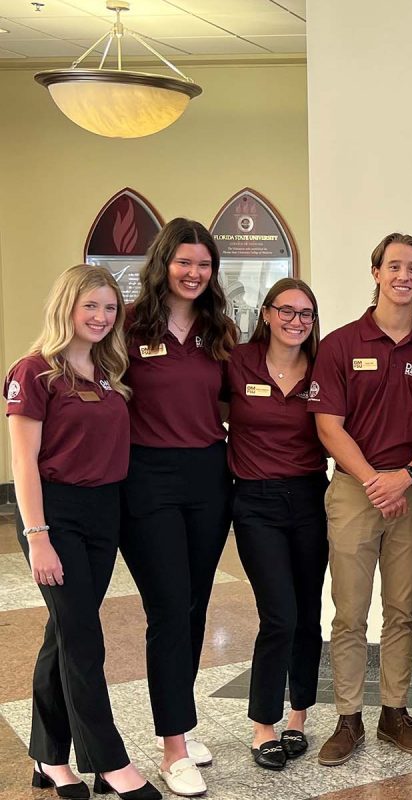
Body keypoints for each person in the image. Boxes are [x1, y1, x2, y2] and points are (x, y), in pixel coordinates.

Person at [7, 265, 161, 800]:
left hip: (104, 512)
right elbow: (23, 461)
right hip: (56, 515)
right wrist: (38, 534)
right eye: (90, 306)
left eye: (110, 308)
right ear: (66, 307)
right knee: (84, 641)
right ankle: (110, 761)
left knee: (64, 635)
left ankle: (49, 758)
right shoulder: (33, 371)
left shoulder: (107, 372)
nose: (100, 317)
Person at [308, 233, 412, 767]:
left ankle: (393, 713)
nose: (403, 275)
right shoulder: (340, 344)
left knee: (403, 611)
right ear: (376, 273)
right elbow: (328, 426)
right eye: (394, 266)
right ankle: (347, 718)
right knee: (348, 613)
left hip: (410, 492)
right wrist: (373, 480)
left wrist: (404, 476)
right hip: (353, 491)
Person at [122, 218, 239, 798]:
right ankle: (173, 748)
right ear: (163, 263)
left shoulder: (220, 331)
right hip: (147, 480)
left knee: (194, 606)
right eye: (184, 262)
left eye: (204, 264)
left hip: (208, 478)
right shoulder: (128, 325)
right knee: (168, 608)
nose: (194, 273)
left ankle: (181, 721)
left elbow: (232, 403)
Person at [226, 278, 328, 771]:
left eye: (306, 313)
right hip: (255, 502)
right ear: (266, 314)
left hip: (311, 498)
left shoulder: (323, 368)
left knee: (308, 615)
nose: (295, 321)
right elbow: (214, 414)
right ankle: (263, 724)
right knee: (279, 615)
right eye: (286, 311)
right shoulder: (238, 362)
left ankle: (298, 717)